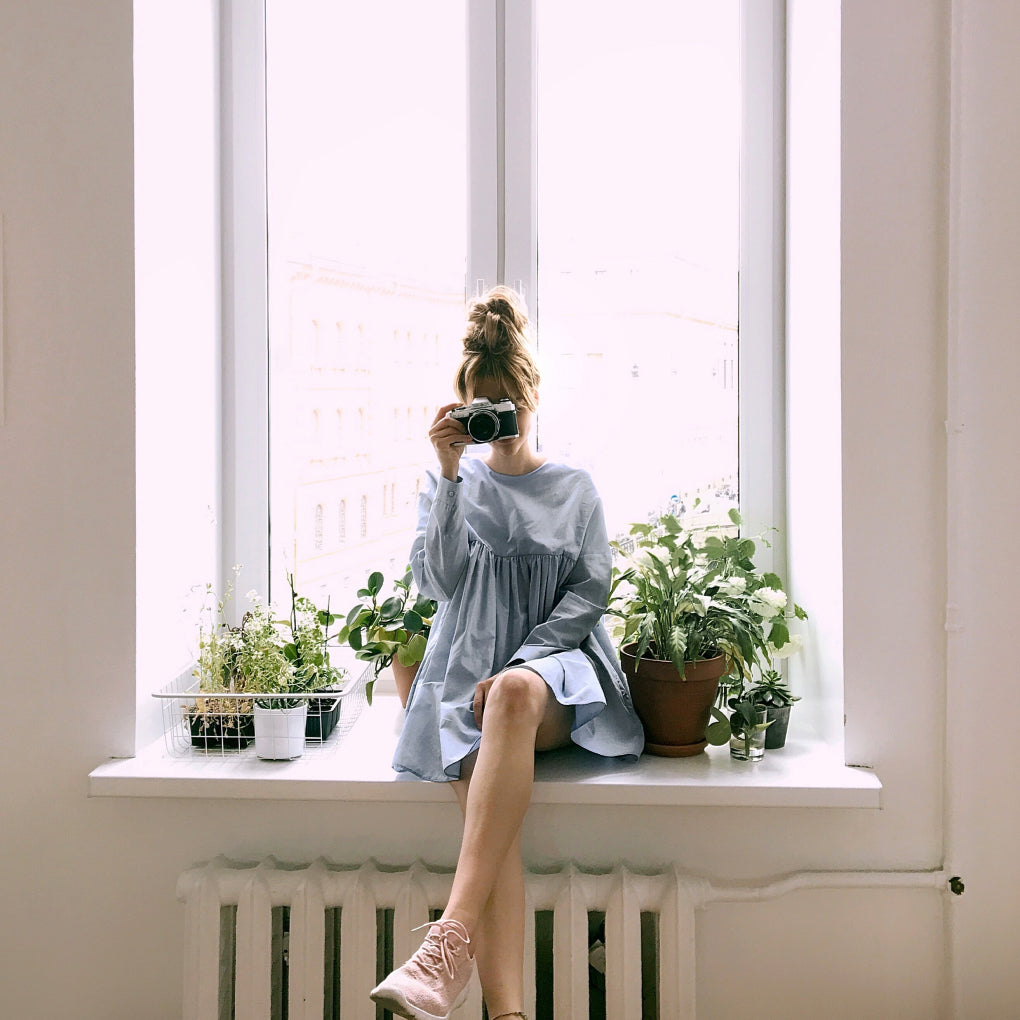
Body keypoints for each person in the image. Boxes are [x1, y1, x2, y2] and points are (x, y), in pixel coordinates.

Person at [370, 287, 644, 1020]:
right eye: (479, 412)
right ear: (461, 410)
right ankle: (508, 1013)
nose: (497, 426)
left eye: (506, 409)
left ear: (531, 397)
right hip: (465, 679)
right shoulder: (452, 481)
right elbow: (441, 583)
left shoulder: (574, 487)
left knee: (513, 695)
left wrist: (524, 660)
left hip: (556, 672)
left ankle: (445, 941)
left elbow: (589, 594)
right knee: (491, 844)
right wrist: (452, 474)